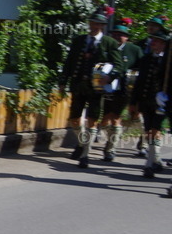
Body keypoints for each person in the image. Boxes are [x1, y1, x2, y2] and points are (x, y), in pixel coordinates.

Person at [58, 9, 123, 169]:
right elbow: (69, 62)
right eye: (92, 23)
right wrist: (62, 81)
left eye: (98, 24)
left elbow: (119, 65)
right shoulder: (79, 41)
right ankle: (82, 142)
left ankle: (85, 154)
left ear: (102, 26)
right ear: (89, 24)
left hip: (97, 88)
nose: (94, 26)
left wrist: (110, 76)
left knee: (92, 120)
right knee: (74, 118)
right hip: (79, 85)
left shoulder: (109, 43)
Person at [129, 29, 171, 178]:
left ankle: (149, 163)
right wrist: (134, 101)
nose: (153, 42)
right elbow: (139, 82)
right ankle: (156, 159)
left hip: (162, 102)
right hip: (147, 101)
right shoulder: (146, 59)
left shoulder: (167, 61)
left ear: (164, 44)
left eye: (157, 41)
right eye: (152, 40)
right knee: (148, 132)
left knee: (155, 130)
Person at [99, 21, 143, 161]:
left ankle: (110, 149)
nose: (117, 37)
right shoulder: (106, 47)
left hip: (124, 90)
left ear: (126, 37)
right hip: (106, 88)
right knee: (105, 119)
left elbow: (142, 68)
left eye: (121, 35)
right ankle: (109, 139)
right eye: (114, 34)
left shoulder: (134, 50)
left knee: (116, 117)